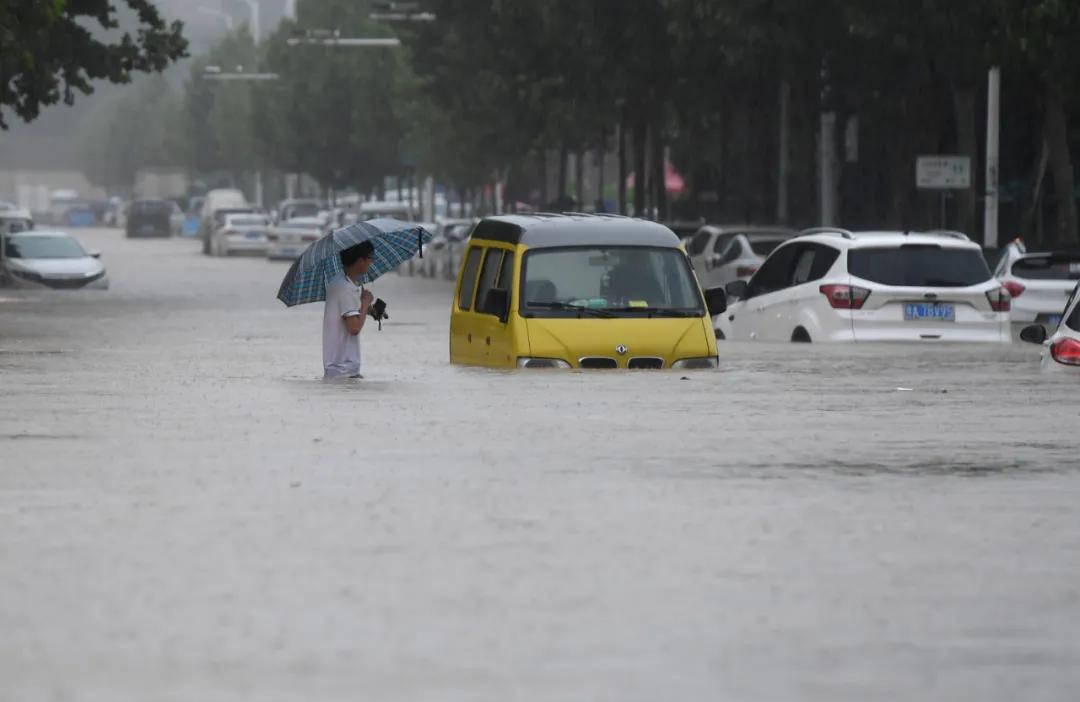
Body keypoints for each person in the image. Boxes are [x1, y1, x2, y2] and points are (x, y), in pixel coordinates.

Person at [323, 241, 375, 379]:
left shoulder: (338, 282)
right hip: (344, 370)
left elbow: (347, 313)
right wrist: (364, 303)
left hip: (335, 367)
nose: (372, 262)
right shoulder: (347, 289)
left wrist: (368, 309)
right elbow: (354, 328)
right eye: (370, 258)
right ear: (360, 260)